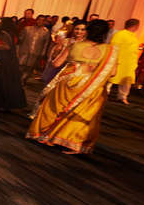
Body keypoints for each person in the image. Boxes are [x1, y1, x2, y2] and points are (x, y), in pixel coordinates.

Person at [26, 20, 118, 154]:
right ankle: (72, 143)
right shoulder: (110, 50)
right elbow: (113, 73)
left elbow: (56, 64)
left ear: (87, 31)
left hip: (69, 82)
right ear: (105, 33)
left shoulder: (74, 45)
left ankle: (45, 135)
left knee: (54, 108)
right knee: (81, 114)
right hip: (93, 86)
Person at [41, 20, 86, 85]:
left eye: (82, 30)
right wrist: (57, 50)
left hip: (75, 72)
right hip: (60, 68)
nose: (79, 31)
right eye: (77, 29)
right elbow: (55, 57)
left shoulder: (86, 44)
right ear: (73, 29)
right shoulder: (66, 41)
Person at [109, 19, 141, 104]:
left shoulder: (133, 36)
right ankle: (104, 93)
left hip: (129, 63)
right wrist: (114, 60)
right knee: (110, 79)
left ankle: (122, 97)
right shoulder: (120, 34)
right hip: (118, 62)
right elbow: (113, 48)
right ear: (136, 26)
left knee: (127, 81)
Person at [17, 15, 51, 84]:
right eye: (39, 19)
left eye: (42, 20)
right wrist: (17, 50)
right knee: (20, 66)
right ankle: (17, 79)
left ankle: (22, 81)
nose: (40, 21)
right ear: (36, 20)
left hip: (36, 53)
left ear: (44, 22)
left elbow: (46, 44)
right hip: (24, 51)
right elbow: (19, 40)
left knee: (29, 68)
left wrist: (43, 54)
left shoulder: (46, 32)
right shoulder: (27, 29)